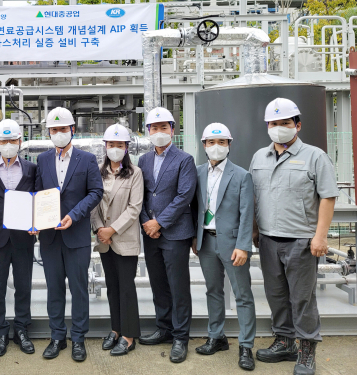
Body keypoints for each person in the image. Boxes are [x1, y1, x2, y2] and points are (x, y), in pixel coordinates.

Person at [250, 98, 339, 375]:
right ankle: (285, 342)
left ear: (297, 125)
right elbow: (254, 198)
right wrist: (254, 230)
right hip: (267, 239)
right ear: (267, 126)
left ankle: (307, 350)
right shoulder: (258, 158)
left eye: (285, 123)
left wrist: (320, 237)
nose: (279, 128)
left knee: (302, 299)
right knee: (276, 295)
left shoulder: (315, 157)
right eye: (274, 123)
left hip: (301, 240)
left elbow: (328, 197)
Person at [35, 107, 103, 362]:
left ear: (72, 130)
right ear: (49, 133)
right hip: (50, 237)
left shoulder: (86, 160)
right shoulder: (42, 160)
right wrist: (35, 221)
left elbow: (96, 192)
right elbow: (37, 195)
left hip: (77, 238)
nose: (58, 133)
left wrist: (73, 215)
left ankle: (78, 339)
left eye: (63, 129)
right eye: (54, 130)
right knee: (54, 289)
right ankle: (57, 337)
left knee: (79, 289)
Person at [192, 123, 256, 371]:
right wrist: (194, 238)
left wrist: (243, 246)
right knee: (213, 291)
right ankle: (216, 336)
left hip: (232, 244)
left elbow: (246, 212)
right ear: (204, 146)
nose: (215, 147)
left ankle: (246, 345)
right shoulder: (197, 172)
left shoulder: (241, 175)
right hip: (206, 241)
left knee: (242, 295)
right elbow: (194, 208)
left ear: (229, 145)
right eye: (210, 143)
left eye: (221, 143)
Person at [137, 106, 197, 364]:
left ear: (173, 130)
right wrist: (146, 222)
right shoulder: (143, 160)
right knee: (158, 284)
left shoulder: (185, 160)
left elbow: (185, 196)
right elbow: (138, 196)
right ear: (147, 131)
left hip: (175, 232)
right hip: (150, 233)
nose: (159, 132)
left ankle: (181, 337)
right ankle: (164, 328)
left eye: (164, 127)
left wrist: (159, 222)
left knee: (178, 286)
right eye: (154, 128)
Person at [0, 119, 38, 357]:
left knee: (23, 286)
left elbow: (38, 199)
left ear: (20, 142)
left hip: (23, 237)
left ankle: (22, 330)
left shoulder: (32, 169)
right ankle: (0, 332)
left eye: (12, 140)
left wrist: (37, 222)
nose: (8, 144)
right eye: (3, 141)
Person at [90, 124, 143, 357]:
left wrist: (111, 230)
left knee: (127, 288)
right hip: (104, 240)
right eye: (111, 144)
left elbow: (134, 209)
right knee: (112, 287)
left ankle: (129, 336)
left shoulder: (135, 174)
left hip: (124, 239)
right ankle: (115, 329)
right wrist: (100, 229)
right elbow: (92, 202)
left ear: (126, 147)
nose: (114, 148)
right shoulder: (97, 172)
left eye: (119, 145)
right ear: (105, 146)